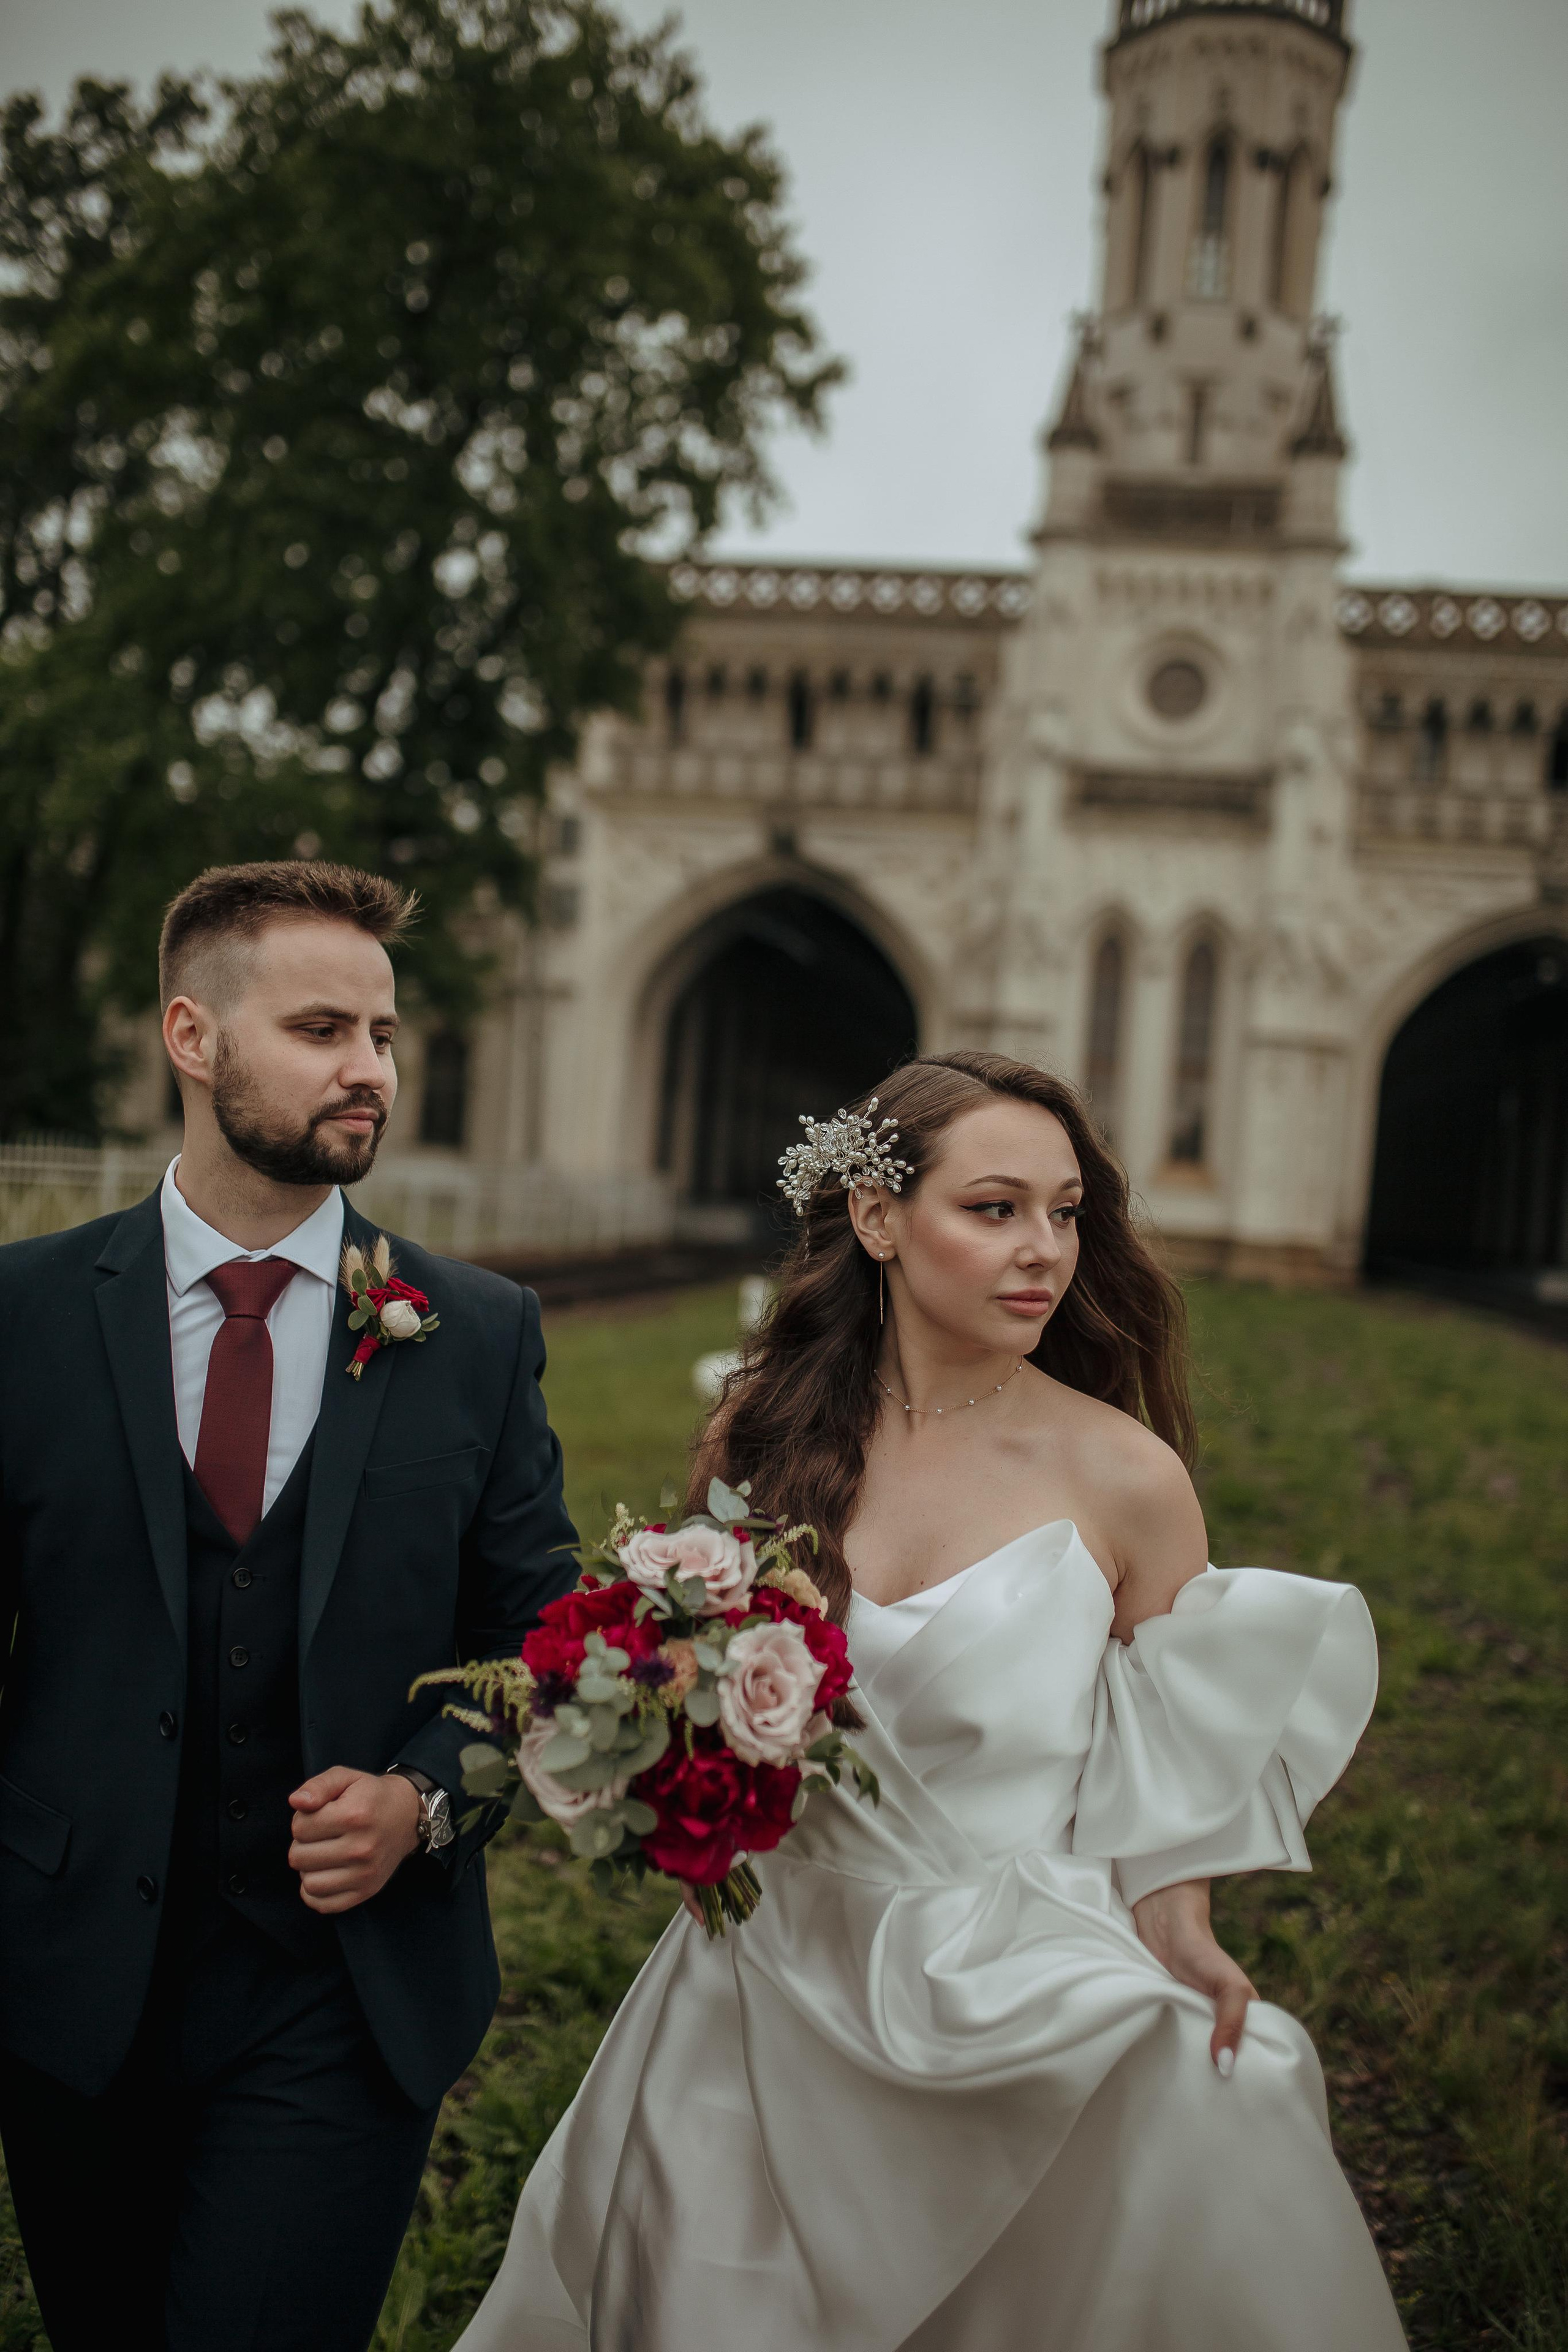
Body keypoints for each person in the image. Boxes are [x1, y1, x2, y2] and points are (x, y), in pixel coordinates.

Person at [458, 1050, 1408, 2351]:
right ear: (876, 1218)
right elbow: (687, 1676)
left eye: (1065, 1213)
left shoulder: (1125, 1477)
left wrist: (1180, 1926)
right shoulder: (759, 1434)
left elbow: (1164, 1759)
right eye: (994, 1208)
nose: (1044, 1251)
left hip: (1009, 1977)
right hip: (762, 1974)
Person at [0, 860, 579, 2352]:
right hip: (70, 1979)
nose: (368, 1069)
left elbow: (547, 1637)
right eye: (322, 1030)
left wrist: (424, 1802)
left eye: (381, 1034)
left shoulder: (475, 1333)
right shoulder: (22, 1314)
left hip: (344, 1993)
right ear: (192, 1037)